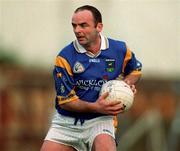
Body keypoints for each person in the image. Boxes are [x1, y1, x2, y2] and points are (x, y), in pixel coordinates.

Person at [40, 5, 142, 151]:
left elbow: (135, 70)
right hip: (67, 122)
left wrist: (127, 83)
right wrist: (96, 106)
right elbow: (66, 102)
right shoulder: (65, 57)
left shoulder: (119, 49)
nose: (77, 30)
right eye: (74, 26)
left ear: (99, 27)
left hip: (101, 119)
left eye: (83, 25)